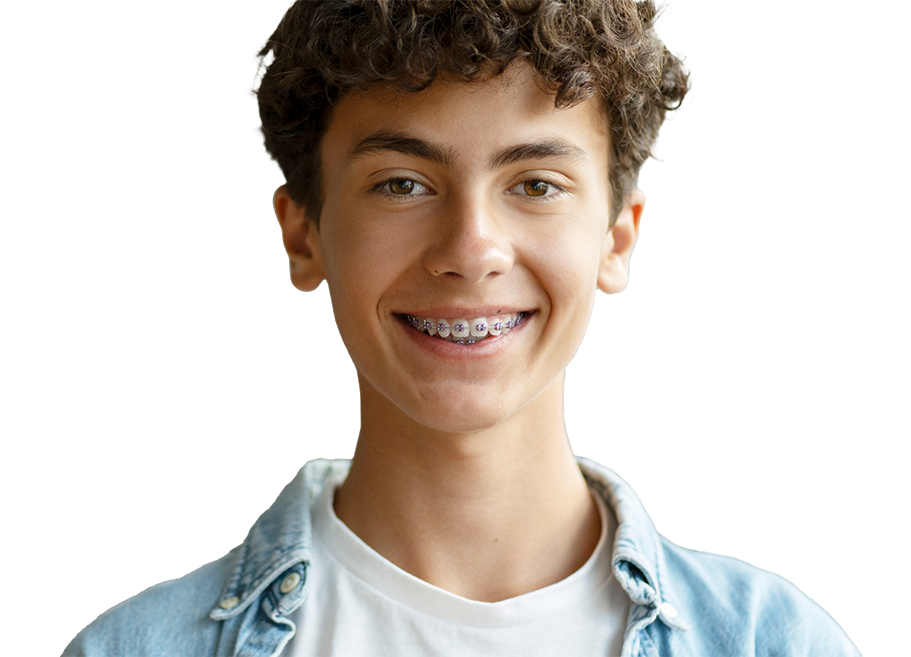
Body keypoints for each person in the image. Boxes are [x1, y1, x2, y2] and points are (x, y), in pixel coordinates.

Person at [60, 0, 860, 655]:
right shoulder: (132, 649)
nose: (471, 250)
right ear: (303, 234)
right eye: (402, 183)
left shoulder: (775, 643)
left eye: (536, 184)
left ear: (617, 238)